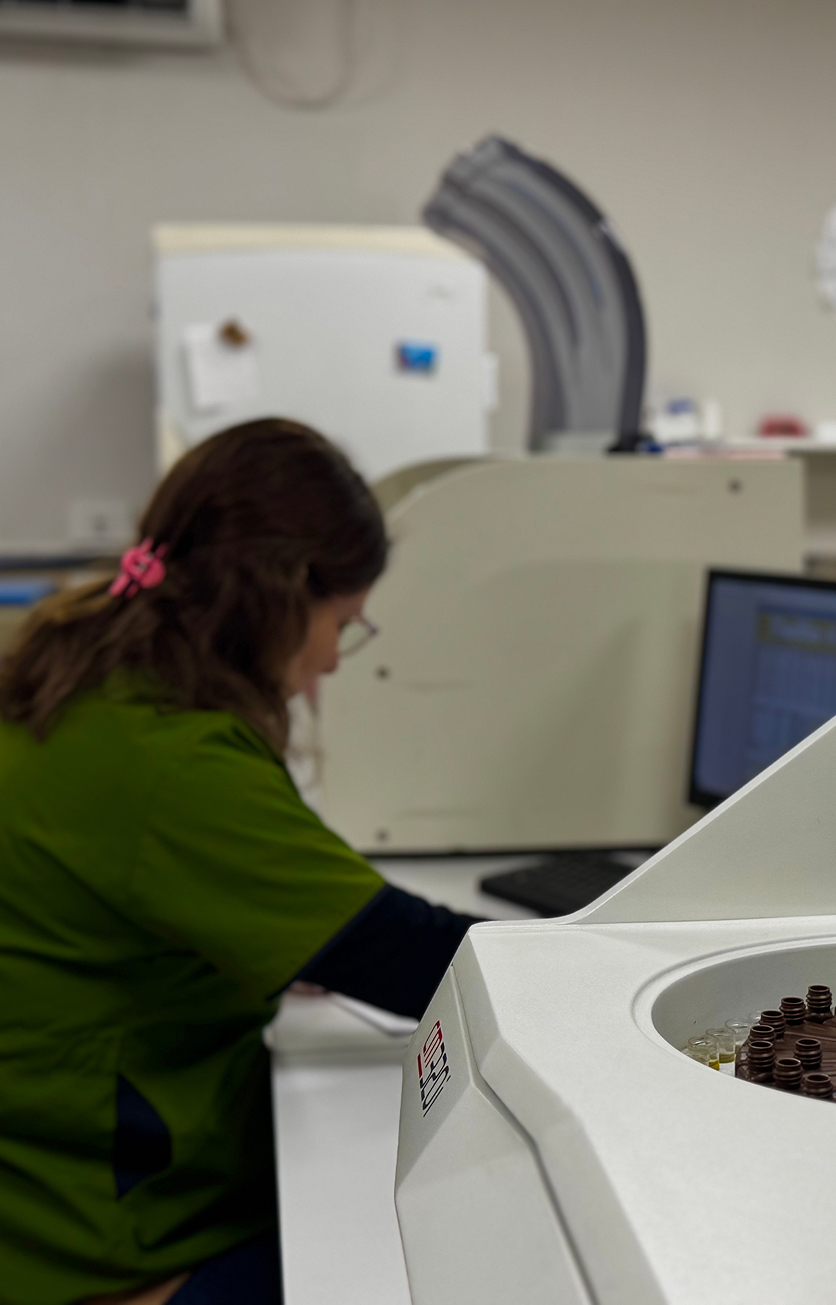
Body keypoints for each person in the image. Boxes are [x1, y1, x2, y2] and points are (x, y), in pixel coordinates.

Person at [0, 419, 480, 1305]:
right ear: (286, 594)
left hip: (49, 1156)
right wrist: (593, 954)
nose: (333, 659)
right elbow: (414, 956)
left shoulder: (89, 672)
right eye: (344, 623)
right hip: (94, 1225)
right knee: (424, 1254)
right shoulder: (169, 756)